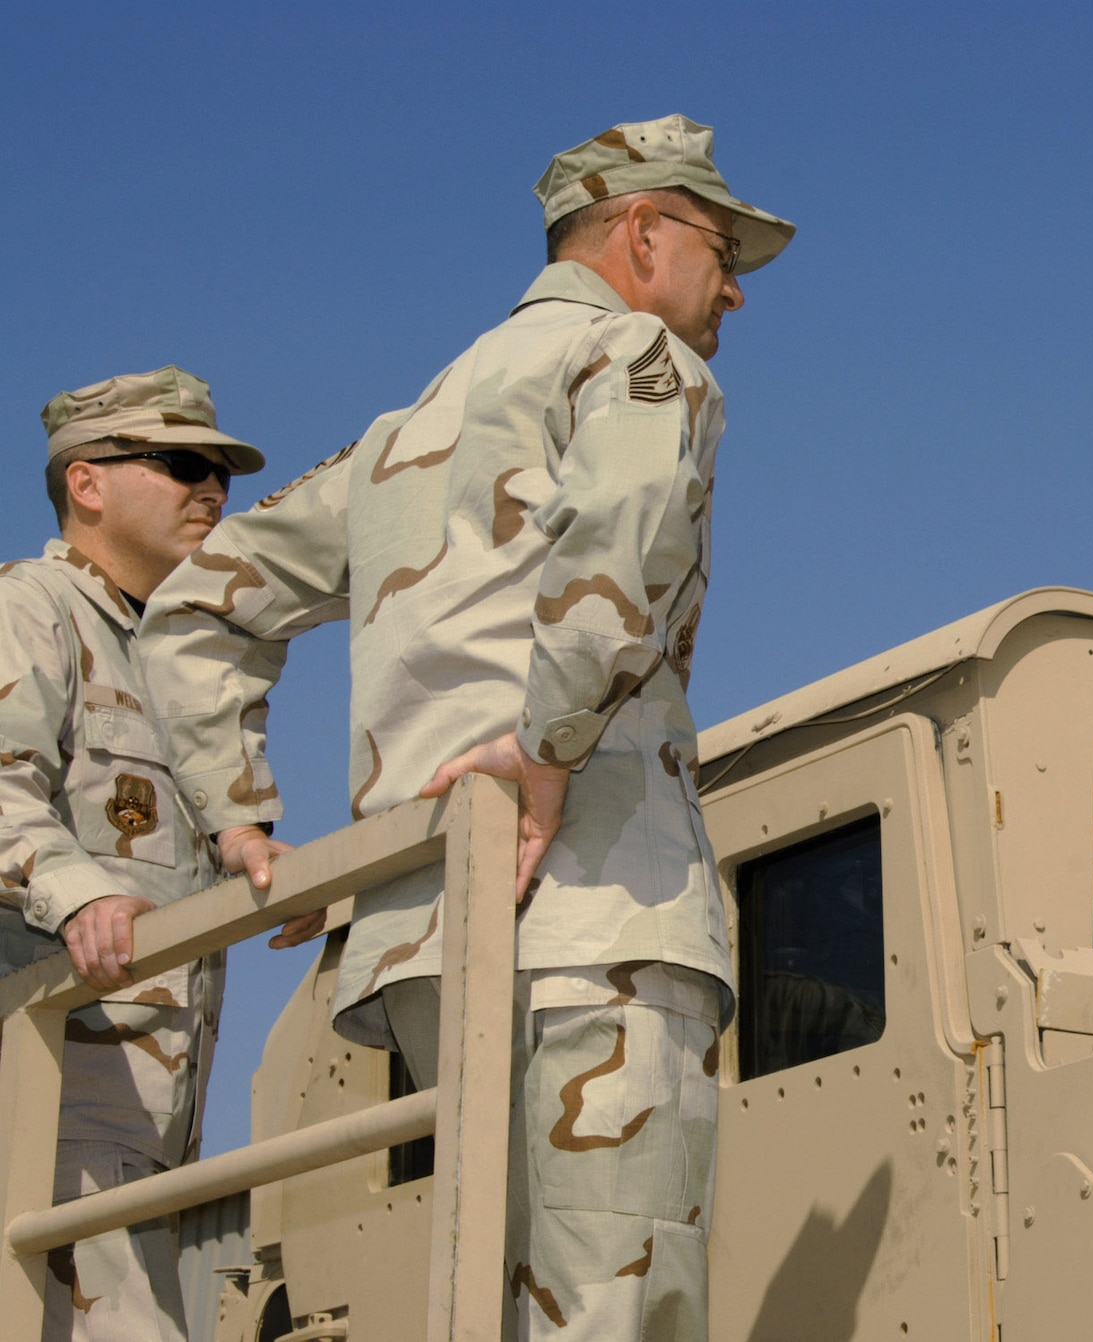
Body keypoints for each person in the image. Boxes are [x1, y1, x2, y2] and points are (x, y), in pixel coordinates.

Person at [139, 115, 794, 1341]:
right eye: (721, 245)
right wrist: (549, 749)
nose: (737, 290)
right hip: (601, 901)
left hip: (434, 935)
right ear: (643, 232)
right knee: (612, 1307)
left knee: (496, 1305)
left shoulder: (399, 435)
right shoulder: (636, 356)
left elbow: (189, 612)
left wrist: (241, 818)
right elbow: (633, 515)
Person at [1, 368, 271, 1340]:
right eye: (180, 463)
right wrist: (78, 897)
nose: (211, 489)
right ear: (87, 482)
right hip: (52, 1103)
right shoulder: (32, 609)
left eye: (220, 473)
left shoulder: (190, 663)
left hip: (155, 1129)